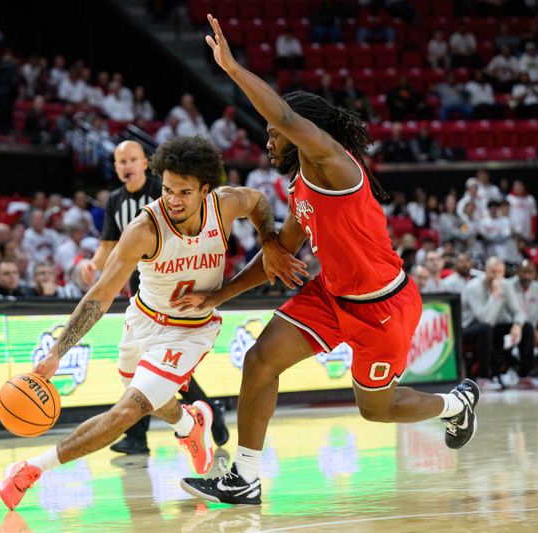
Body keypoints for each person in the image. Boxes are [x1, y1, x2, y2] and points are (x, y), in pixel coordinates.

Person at [180, 16, 480, 506]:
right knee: (259, 361)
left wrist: (232, 69)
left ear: (298, 133)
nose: (269, 142)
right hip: (331, 294)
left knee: (376, 410)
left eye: (275, 135)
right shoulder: (301, 186)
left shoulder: (334, 163)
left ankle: (455, 403)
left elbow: (284, 117)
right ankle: (246, 477)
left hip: (382, 306)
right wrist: (217, 296)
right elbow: (276, 258)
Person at [0, 135, 301, 510]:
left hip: (189, 330)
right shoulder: (144, 228)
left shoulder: (224, 205)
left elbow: (258, 202)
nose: (172, 199)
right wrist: (59, 351)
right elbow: (100, 294)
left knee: (129, 409)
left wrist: (269, 239)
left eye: (184, 192)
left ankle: (30, 469)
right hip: (141, 322)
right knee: (153, 402)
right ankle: (190, 425)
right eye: (168, 189)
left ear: (206, 189)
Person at [82, 140, 230, 454]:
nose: (126, 166)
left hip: (175, 287)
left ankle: (148, 432)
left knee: (156, 371)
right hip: (140, 290)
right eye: (120, 161)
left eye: (132, 160)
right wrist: (94, 265)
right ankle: (197, 414)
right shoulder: (115, 201)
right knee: (144, 368)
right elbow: (108, 244)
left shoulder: (164, 191)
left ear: (145, 163)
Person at [461, 256, 533, 387]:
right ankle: (484, 377)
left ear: (504, 272)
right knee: (485, 329)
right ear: (486, 271)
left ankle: (525, 375)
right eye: (493, 271)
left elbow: (518, 311)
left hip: (490, 328)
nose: (496, 275)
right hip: (468, 328)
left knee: (526, 327)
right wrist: (495, 295)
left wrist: (517, 324)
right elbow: (484, 319)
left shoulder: (506, 285)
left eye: (499, 272)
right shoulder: (473, 286)